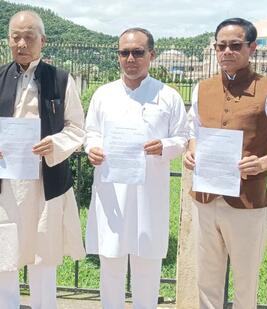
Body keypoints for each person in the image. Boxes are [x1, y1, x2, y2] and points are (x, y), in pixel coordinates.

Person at [0, 10, 86, 309]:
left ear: (42, 40)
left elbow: (76, 127)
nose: (21, 43)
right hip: (6, 181)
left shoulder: (60, 79)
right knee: (4, 254)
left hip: (44, 182)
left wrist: (55, 143)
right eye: (16, 37)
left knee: (43, 253)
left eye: (29, 37)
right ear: (8, 39)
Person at [183, 18, 267, 308]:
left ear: (251, 48)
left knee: (246, 283)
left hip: (246, 202)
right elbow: (193, 131)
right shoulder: (201, 89)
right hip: (205, 199)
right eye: (221, 46)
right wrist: (191, 151)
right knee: (206, 280)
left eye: (235, 45)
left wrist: (264, 163)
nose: (227, 52)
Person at [84, 27, 188, 308]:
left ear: (151, 55)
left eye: (138, 52)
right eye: (124, 52)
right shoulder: (103, 95)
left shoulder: (168, 96)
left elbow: (183, 138)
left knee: (147, 266)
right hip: (112, 191)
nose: (130, 58)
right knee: (111, 265)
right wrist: (91, 148)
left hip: (149, 194)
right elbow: (91, 131)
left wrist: (164, 147)